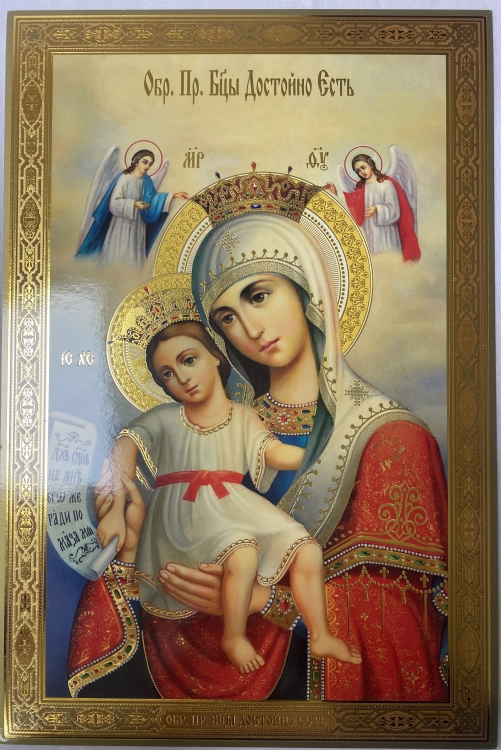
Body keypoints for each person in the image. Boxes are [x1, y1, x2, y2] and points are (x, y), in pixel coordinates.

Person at [69, 210, 447, 701]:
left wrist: (266, 601)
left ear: (306, 288)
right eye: (226, 317)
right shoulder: (222, 425)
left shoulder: (391, 436)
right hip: (182, 641)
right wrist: (133, 542)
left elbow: (403, 616)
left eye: (259, 295)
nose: (249, 327)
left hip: (300, 677)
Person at [96, 319, 361, 675]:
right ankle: (233, 636)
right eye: (167, 374)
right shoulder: (164, 418)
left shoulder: (243, 416)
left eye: (189, 360)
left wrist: (319, 452)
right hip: (184, 513)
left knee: (307, 549)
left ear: (216, 356)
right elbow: (125, 444)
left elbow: (273, 453)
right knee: (243, 552)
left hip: (232, 503)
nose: (182, 377)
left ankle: (321, 635)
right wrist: (115, 508)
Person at [75, 149, 189, 269]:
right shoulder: (125, 178)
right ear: (136, 161)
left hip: (138, 226)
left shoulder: (147, 181)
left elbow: (153, 199)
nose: (147, 166)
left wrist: (173, 195)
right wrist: (134, 204)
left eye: (150, 164)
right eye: (144, 162)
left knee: (134, 259)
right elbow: (113, 203)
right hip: (121, 226)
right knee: (118, 255)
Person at [341, 153, 421, 260]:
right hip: (370, 236)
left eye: (363, 167)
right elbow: (352, 209)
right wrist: (334, 193)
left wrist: (377, 209)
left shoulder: (386, 185)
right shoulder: (361, 189)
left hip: (387, 236)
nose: (362, 172)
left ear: (371, 165)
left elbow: (395, 211)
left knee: (390, 261)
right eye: (358, 171)